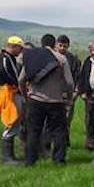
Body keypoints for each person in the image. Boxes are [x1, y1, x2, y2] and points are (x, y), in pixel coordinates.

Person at [19, 34, 74, 166]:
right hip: (56, 101)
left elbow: (21, 79)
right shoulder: (61, 59)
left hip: (35, 100)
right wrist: (69, 99)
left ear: (41, 43)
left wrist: (26, 95)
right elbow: (70, 83)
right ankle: (59, 160)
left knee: (33, 131)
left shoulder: (32, 57)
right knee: (59, 131)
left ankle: (30, 161)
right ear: (54, 44)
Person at [0, 35, 25, 165]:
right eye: (20, 48)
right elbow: (4, 73)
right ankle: (7, 158)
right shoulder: (5, 58)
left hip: (12, 92)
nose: (21, 51)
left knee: (14, 121)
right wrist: (15, 84)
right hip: (9, 93)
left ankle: (11, 156)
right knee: (11, 120)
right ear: (13, 46)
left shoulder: (10, 58)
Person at [55, 35, 82, 148]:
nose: (62, 48)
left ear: (68, 46)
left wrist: (75, 93)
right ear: (56, 45)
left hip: (68, 94)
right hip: (53, 93)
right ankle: (52, 142)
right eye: (60, 45)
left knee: (66, 120)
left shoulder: (73, 59)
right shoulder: (51, 57)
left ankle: (65, 142)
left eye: (64, 46)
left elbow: (77, 77)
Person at [76, 40, 94, 151]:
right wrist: (82, 92)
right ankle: (90, 142)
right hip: (90, 95)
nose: (92, 52)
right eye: (90, 50)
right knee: (90, 119)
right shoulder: (88, 61)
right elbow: (82, 77)